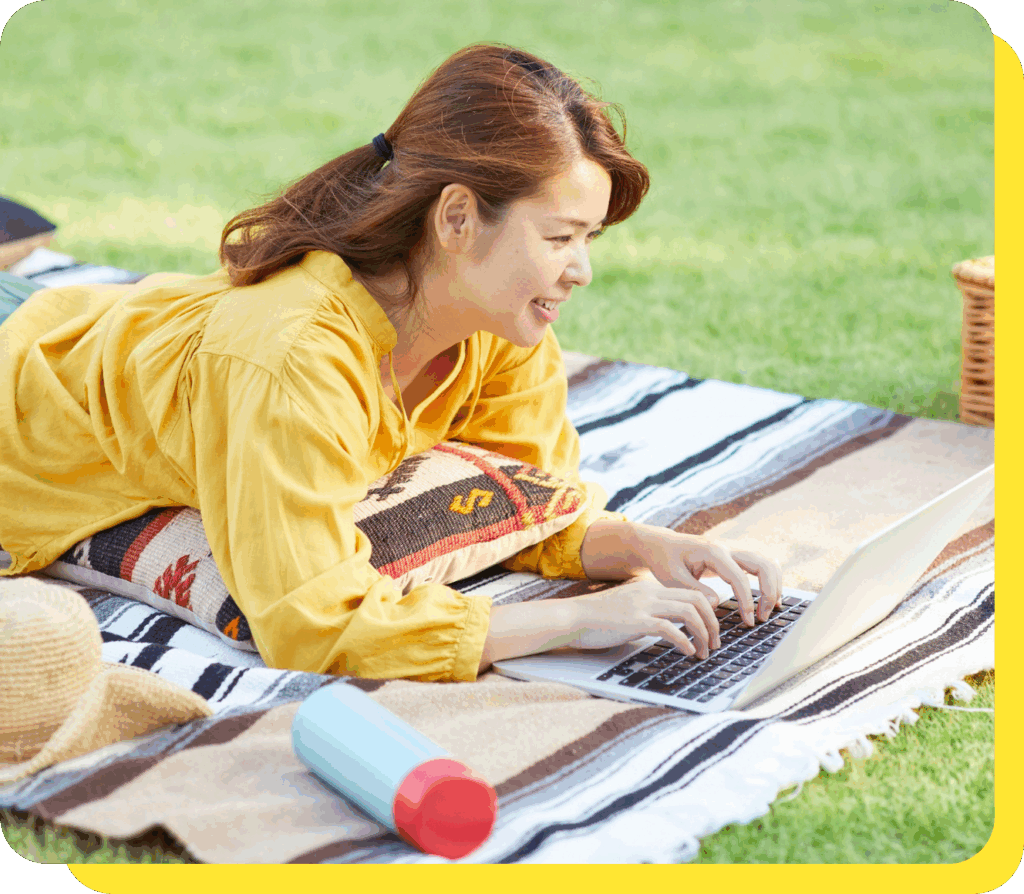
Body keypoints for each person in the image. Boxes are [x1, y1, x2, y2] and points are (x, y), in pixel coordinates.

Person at [0, 43, 782, 682]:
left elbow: (531, 500)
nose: (581, 270)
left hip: (108, 325)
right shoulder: (294, 360)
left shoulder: (502, 325)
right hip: (24, 399)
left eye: (589, 240)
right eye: (558, 237)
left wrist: (644, 546)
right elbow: (310, 624)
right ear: (457, 218)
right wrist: (573, 619)